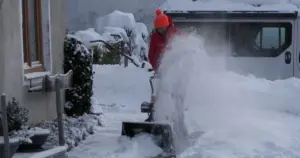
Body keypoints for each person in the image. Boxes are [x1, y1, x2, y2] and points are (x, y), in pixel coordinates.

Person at [145, 9, 180, 122]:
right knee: (157, 92)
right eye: (158, 28)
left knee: (176, 94)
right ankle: (154, 116)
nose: (160, 30)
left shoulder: (176, 33)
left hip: (176, 69)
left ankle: (178, 118)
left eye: (161, 28)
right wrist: (157, 67)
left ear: (166, 25)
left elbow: (186, 48)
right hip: (161, 69)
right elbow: (151, 54)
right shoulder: (155, 37)